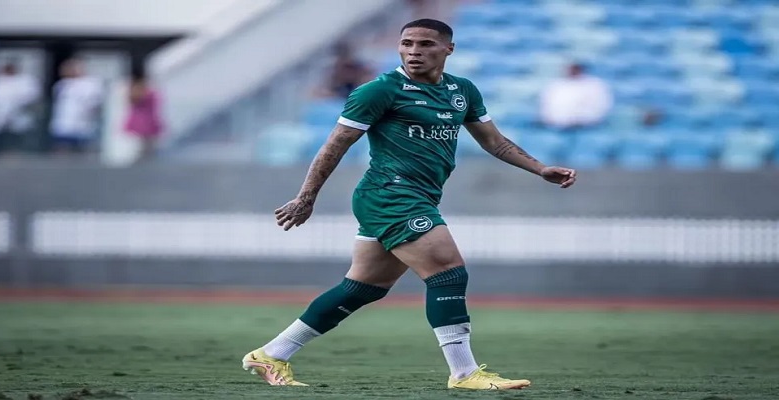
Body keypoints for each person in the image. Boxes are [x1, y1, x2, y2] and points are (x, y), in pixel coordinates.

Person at [244, 19, 577, 390]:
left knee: (364, 287)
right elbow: (335, 145)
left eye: (425, 44)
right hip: (391, 195)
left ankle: (271, 354)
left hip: (419, 195)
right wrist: (306, 198)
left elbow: (494, 142)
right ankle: (465, 373)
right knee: (448, 272)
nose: (414, 51)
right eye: (407, 43)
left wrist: (540, 168)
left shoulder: (462, 90)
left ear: (448, 49)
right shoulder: (380, 91)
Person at [49, 58, 105, 154]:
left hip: (83, 124)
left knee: (82, 150)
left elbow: (95, 102)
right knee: (62, 148)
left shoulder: (91, 83)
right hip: (63, 123)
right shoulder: (61, 84)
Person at [539, 62, 613, 130]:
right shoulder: (556, 85)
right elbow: (546, 105)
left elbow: (602, 106)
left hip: (587, 125)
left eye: (575, 69)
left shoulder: (594, 85)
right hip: (559, 124)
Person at [123, 75, 163, 161]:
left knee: (147, 141)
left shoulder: (146, 92)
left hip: (145, 119)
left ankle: (146, 155)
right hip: (144, 119)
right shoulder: (146, 92)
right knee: (144, 141)